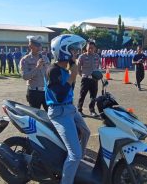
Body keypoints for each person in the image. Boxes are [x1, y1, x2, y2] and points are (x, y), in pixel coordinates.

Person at [45, 34, 90, 184]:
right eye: (73, 50)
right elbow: (59, 96)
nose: (76, 52)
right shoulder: (53, 70)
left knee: (86, 132)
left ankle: (80, 159)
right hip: (59, 112)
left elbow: (69, 90)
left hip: (69, 108)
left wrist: (73, 74)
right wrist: (73, 75)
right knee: (74, 154)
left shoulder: (66, 68)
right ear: (63, 50)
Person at [20, 35, 50, 111]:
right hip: (34, 92)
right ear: (30, 46)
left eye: (40, 45)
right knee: (35, 116)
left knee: (50, 115)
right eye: (37, 45)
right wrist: (37, 67)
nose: (39, 48)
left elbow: (49, 74)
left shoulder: (45, 58)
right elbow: (25, 77)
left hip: (46, 92)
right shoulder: (25, 60)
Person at [77, 40, 100, 117]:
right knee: (82, 95)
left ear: (95, 48)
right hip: (85, 79)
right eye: (89, 48)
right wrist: (83, 75)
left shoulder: (97, 56)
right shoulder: (82, 57)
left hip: (94, 79)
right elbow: (78, 68)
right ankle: (79, 110)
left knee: (93, 96)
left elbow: (97, 67)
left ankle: (92, 111)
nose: (90, 49)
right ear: (86, 48)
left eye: (92, 48)